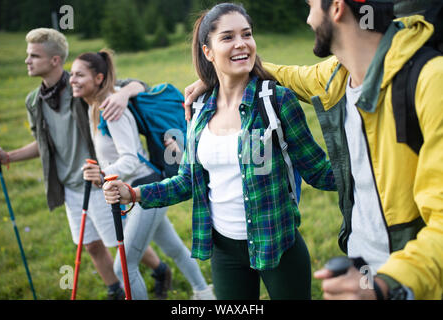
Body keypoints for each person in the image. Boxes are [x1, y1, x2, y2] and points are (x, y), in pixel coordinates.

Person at [184, 0, 443, 300]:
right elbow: (287, 74)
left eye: (310, 6)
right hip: (358, 270)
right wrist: (220, 74)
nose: (307, 19)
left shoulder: (430, 80)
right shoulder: (337, 76)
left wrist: (386, 286)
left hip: (408, 281)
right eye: (228, 36)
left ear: (336, 8)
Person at [103, 3, 336, 300]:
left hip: (278, 243)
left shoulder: (276, 101)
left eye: (247, 34)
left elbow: (319, 171)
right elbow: (187, 180)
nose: (241, 43)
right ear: (208, 51)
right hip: (224, 251)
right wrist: (133, 194)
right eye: (227, 37)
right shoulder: (199, 109)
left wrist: (372, 177)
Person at [0, 28, 167, 300]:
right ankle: (115, 291)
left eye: (34, 56)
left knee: (117, 242)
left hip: (99, 181)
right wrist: (9, 156)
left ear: (54, 60)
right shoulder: (34, 101)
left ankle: (159, 269)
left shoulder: (80, 88)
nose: (27, 61)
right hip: (70, 185)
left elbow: (137, 84)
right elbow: (44, 144)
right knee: (91, 245)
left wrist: (123, 95)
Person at [69, 49, 216, 300]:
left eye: (79, 75)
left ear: (99, 78)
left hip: (143, 187)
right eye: (71, 74)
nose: (72, 79)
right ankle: (204, 293)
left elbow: (130, 158)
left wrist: (103, 174)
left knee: (123, 267)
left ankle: (204, 293)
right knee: (175, 249)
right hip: (139, 187)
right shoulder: (95, 106)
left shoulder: (111, 109)